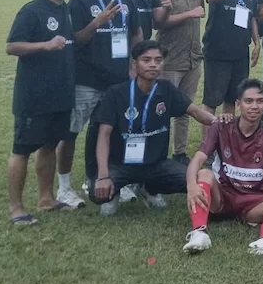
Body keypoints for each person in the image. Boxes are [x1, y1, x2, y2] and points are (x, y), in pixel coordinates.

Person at [90, 41, 218, 216]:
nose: (153, 64)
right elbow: (104, 135)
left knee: (193, 179)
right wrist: (103, 176)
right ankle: (114, 192)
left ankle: (149, 189)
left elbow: (196, 112)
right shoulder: (116, 93)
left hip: (156, 164)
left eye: (158, 60)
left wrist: (220, 121)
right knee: (96, 192)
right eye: (146, 60)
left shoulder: (167, 89)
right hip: (121, 164)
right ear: (134, 64)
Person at [60, 0, 142, 209]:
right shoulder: (79, 2)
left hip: (118, 81)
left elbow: (136, 32)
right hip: (87, 81)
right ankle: (64, 187)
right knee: (71, 133)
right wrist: (97, 22)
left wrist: (134, 63)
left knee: (115, 132)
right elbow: (74, 40)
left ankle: (114, 179)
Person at [183, 79, 263, 255]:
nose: (254, 106)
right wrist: (191, 186)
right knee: (204, 174)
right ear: (238, 104)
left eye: (260, 101)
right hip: (222, 197)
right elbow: (197, 160)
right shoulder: (221, 127)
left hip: (252, 201)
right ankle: (199, 233)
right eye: (248, 101)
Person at [5, 0, 77, 225]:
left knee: (49, 146)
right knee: (22, 150)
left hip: (61, 94)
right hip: (33, 96)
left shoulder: (67, 10)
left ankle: (46, 199)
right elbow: (12, 46)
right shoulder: (32, 11)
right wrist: (44, 45)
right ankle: (16, 208)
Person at [157, 0, 206, 164]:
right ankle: (158, 155)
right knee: (162, 110)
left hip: (193, 59)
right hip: (170, 60)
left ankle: (179, 153)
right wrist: (190, 13)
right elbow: (159, 22)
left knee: (185, 109)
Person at [203, 0, 261, 115]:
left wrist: (257, 43)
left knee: (232, 99)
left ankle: (226, 131)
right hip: (218, 51)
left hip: (240, 52)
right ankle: (210, 133)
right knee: (212, 100)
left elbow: (252, 17)